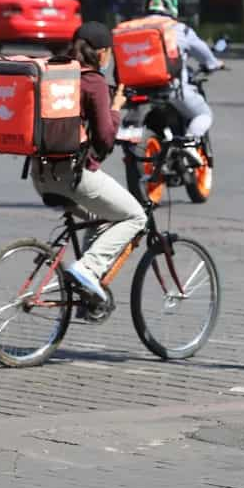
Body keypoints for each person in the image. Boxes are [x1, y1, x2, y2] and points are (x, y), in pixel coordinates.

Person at [31, 21, 146, 303]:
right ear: (104, 53)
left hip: (40, 174)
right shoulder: (93, 81)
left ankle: (86, 295)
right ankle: (88, 269)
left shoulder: (55, 72)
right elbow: (106, 140)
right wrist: (115, 109)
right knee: (136, 216)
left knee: (101, 216)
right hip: (73, 176)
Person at [143, 0, 224, 162]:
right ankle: (188, 142)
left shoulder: (133, 27)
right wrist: (214, 64)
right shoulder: (179, 29)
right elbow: (205, 56)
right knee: (204, 114)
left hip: (137, 91)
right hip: (171, 89)